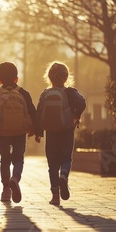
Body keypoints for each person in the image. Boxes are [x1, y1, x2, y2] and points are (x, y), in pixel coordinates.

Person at [35, 62, 86, 205]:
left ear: (49, 77)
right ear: (66, 77)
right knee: (66, 158)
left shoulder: (45, 94)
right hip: (67, 130)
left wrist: (38, 132)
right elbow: (82, 103)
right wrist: (76, 115)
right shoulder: (70, 92)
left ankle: (55, 196)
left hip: (51, 133)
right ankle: (64, 175)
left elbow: (39, 113)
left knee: (52, 164)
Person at [0, 62, 36, 203]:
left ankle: (6, 189)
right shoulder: (23, 93)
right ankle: (15, 178)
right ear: (16, 78)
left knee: (5, 160)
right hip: (20, 132)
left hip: (2, 134)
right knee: (18, 158)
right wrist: (35, 130)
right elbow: (32, 112)